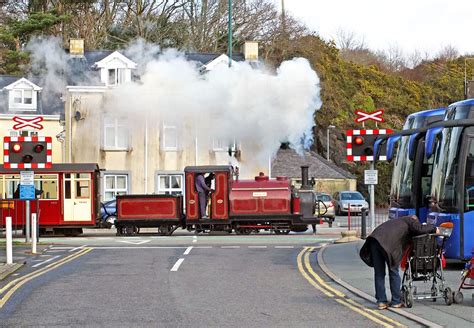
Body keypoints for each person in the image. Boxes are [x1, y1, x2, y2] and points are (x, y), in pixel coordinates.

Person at [359, 215, 438, 310]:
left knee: (379, 273)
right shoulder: (410, 220)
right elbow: (419, 229)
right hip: (387, 244)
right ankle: (396, 301)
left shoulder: (398, 222)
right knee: (393, 271)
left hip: (374, 241)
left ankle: (381, 301)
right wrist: (435, 229)